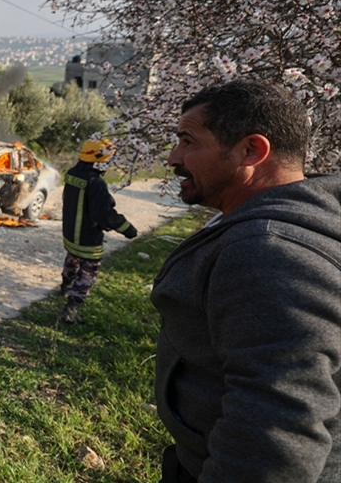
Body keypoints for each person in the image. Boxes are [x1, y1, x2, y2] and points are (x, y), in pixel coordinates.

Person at [152, 79, 340, 482]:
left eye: (188, 141)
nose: (173, 157)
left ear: (251, 150)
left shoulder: (270, 251)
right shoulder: (280, 223)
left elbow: (277, 434)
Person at [59, 138, 137, 323]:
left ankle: (64, 286)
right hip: (89, 239)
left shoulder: (72, 174)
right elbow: (104, 215)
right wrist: (128, 229)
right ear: (98, 161)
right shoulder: (96, 183)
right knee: (88, 271)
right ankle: (71, 310)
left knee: (72, 259)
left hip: (70, 234)